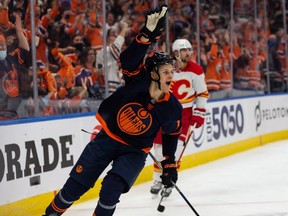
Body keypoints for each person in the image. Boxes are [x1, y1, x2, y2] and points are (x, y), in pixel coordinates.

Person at [43, 5, 183, 216]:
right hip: (107, 139)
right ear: (153, 74)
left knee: (111, 190)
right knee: (74, 188)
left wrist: (169, 162)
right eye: (166, 72)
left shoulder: (172, 106)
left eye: (172, 72)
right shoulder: (138, 81)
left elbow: (171, 133)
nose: (171, 76)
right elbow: (128, 60)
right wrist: (145, 36)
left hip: (134, 151)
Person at [150, 38, 209, 197]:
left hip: (185, 114)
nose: (188, 53)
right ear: (176, 53)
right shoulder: (167, 67)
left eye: (190, 49)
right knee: (159, 149)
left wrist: (200, 113)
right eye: (184, 50)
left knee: (175, 150)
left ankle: (169, 181)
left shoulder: (195, 70)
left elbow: (202, 93)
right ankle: (157, 178)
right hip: (164, 113)